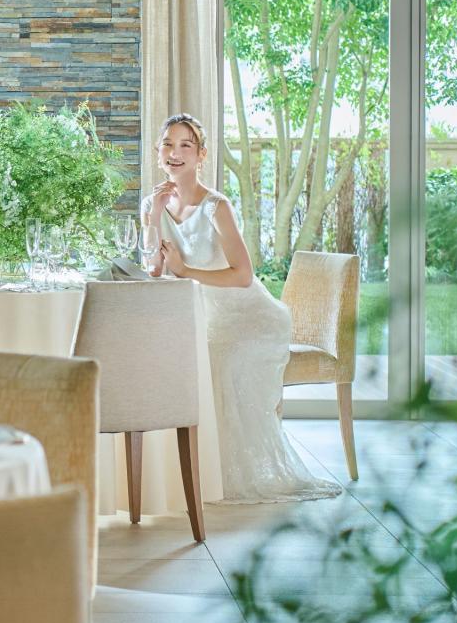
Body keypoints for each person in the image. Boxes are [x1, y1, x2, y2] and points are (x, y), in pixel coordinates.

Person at [145, 113, 341, 503]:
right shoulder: (153, 204)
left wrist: (187, 271)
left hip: (250, 317)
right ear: (158, 151)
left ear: (201, 155)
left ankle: (220, 475)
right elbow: (153, 269)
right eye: (168, 144)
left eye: (185, 145)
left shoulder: (216, 206)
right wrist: (153, 218)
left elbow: (243, 275)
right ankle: (181, 471)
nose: (175, 153)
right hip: (201, 316)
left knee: (217, 359)